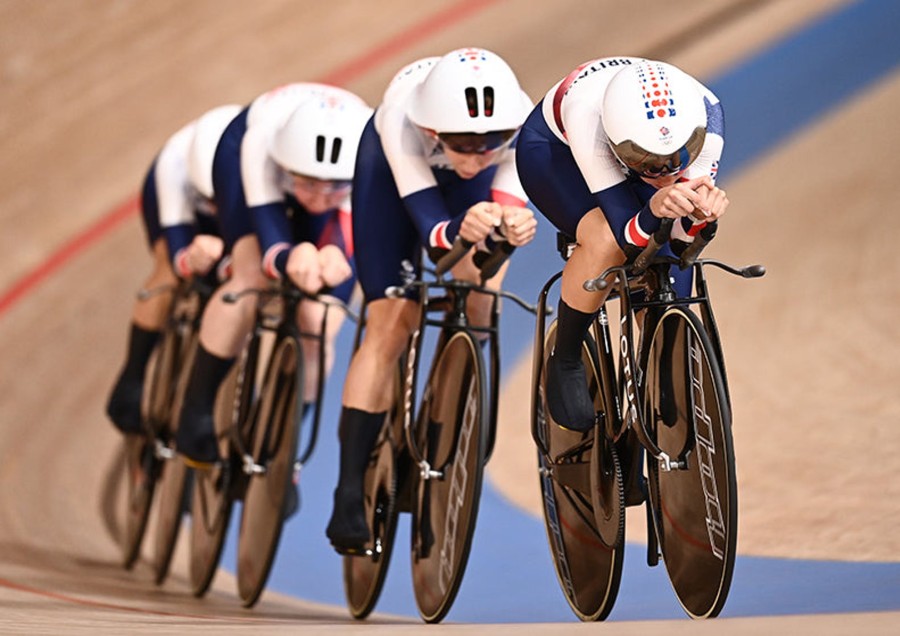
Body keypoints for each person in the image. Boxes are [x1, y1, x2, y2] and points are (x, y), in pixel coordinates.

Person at [325, 48, 538, 553]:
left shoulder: (518, 123)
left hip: (471, 199)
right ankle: (348, 490)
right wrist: (461, 231)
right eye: (464, 144)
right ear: (434, 131)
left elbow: (495, 230)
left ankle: (442, 427)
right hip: (394, 190)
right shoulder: (401, 120)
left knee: (481, 299)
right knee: (391, 324)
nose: (478, 156)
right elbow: (433, 231)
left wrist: (511, 227)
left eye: (493, 143)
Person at [515, 57, 730, 433]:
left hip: (632, 148)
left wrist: (700, 219)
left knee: (668, 281)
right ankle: (566, 356)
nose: (664, 170)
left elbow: (680, 247)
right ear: (619, 145)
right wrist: (653, 211)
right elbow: (627, 236)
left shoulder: (707, 120)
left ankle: (646, 410)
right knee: (605, 241)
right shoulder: (587, 117)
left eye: (676, 160)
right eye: (647, 163)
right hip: (557, 155)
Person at [174, 83, 373, 470]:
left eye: (330, 189)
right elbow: (271, 247)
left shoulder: (368, 158)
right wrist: (287, 256)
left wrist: (335, 255)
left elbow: (346, 237)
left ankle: (285, 445)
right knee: (250, 279)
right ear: (286, 170)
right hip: (242, 158)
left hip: (337, 171)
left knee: (321, 321)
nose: (317, 199)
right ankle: (195, 409)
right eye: (308, 184)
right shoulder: (260, 147)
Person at [106, 103, 241, 434]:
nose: (214, 207)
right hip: (178, 208)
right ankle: (132, 379)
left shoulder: (257, 166)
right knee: (169, 270)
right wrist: (188, 259)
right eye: (209, 200)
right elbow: (179, 244)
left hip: (239, 207)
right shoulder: (174, 164)